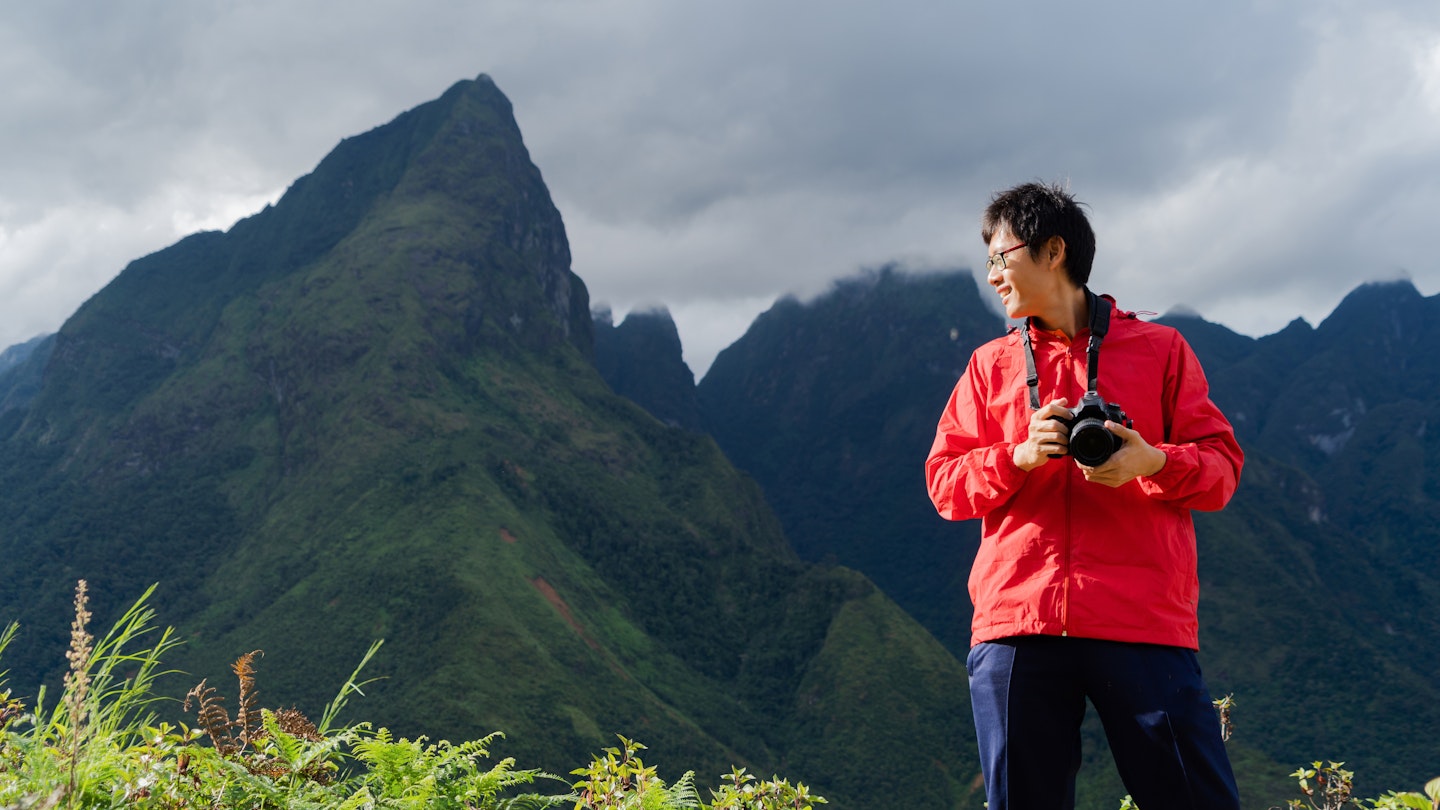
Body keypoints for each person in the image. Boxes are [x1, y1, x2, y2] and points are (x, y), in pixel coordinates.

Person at [925, 181, 1244, 810]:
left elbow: (1222, 469)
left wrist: (1151, 461)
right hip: (1019, 623)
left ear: (1053, 251)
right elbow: (945, 484)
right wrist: (1016, 456)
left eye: (1000, 256)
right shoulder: (990, 366)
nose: (992, 275)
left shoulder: (1161, 351)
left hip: (1142, 620)